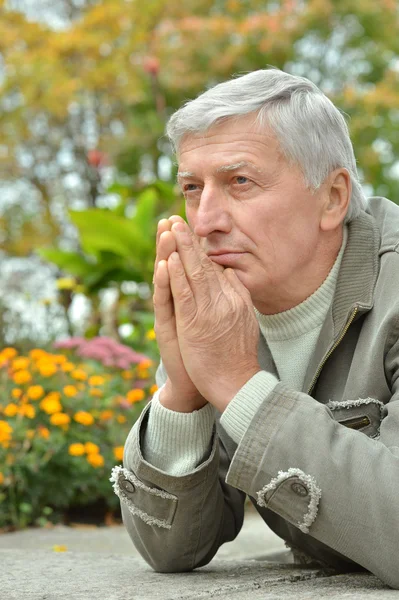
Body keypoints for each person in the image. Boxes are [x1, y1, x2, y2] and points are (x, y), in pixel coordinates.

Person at [110, 68, 399, 589]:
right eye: (192, 188)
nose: (204, 222)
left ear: (333, 197)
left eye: (239, 182)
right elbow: (174, 548)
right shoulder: (223, 302)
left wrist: (240, 387)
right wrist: (183, 393)